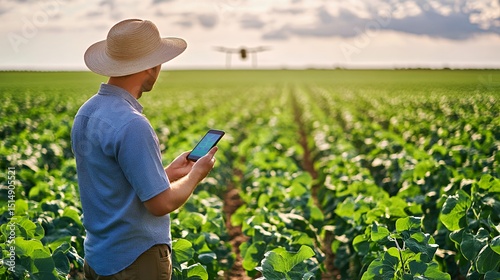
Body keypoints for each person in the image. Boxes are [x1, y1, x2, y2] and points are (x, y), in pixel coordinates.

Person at [71, 19, 218, 279]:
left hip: (98, 258)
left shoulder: (87, 112)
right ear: (151, 67)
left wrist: (169, 173)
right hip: (136, 261)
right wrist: (196, 174)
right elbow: (161, 204)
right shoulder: (132, 124)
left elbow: (117, 183)